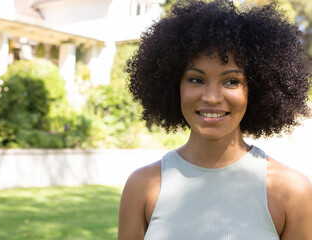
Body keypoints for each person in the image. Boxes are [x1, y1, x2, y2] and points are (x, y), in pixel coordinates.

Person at [118, 0, 312, 239]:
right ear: (173, 85)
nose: (211, 98)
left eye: (231, 81)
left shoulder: (291, 191)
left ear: (257, 89)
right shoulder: (142, 187)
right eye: (196, 79)